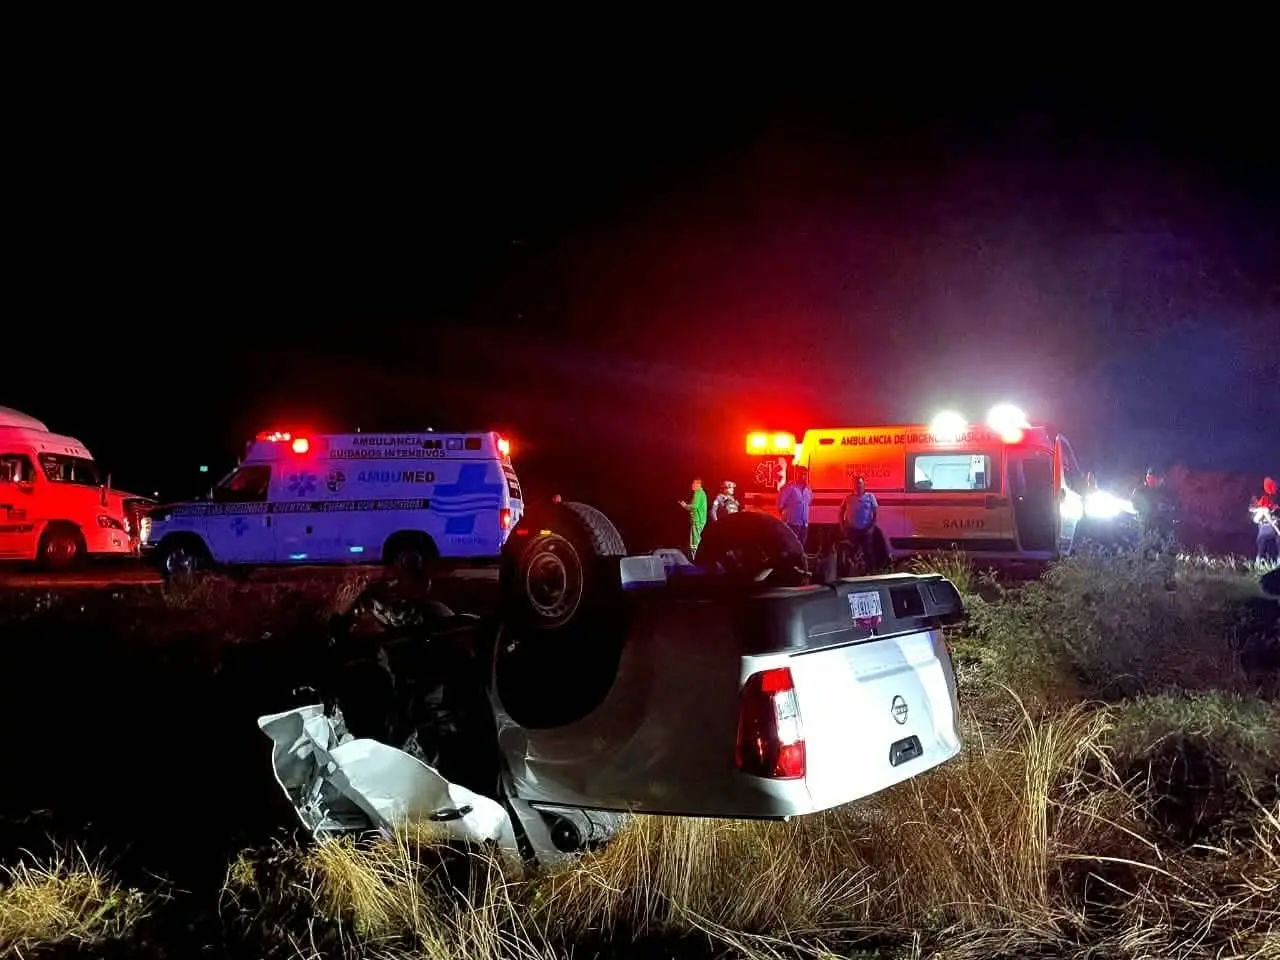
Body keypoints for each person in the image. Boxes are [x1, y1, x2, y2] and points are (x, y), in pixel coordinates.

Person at [838, 476, 879, 569]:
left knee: (868, 552)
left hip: (866, 530)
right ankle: (850, 572)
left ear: (864, 485)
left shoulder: (870, 497)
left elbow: (875, 513)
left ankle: (870, 573)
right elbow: (841, 512)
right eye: (856, 484)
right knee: (851, 552)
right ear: (853, 486)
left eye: (860, 483)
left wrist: (872, 527)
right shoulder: (848, 498)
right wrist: (842, 525)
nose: (858, 486)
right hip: (852, 530)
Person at [776, 465, 812, 550]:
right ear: (797, 474)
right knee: (790, 547)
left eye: (805, 474)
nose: (803, 476)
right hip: (792, 524)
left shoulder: (808, 489)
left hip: (804, 524)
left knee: (801, 547)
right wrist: (786, 518)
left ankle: (798, 562)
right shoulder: (789, 487)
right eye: (801, 474)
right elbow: (779, 504)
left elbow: (808, 503)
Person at [678, 477, 708, 559]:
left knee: (695, 540)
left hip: (697, 520)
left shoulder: (698, 492)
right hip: (700, 520)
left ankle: (694, 558)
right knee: (695, 539)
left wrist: (685, 506)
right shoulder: (702, 493)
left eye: (693, 483)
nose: (692, 485)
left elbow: (694, 506)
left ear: (698, 484)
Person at [1253, 477, 1279, 564]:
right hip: (1265, 529)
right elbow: (1255, 510)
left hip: (1272, 532)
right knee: (1261, 551)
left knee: (1273, 552)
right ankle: (1260, 564)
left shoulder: (1274, 500)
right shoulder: (1263, 499)